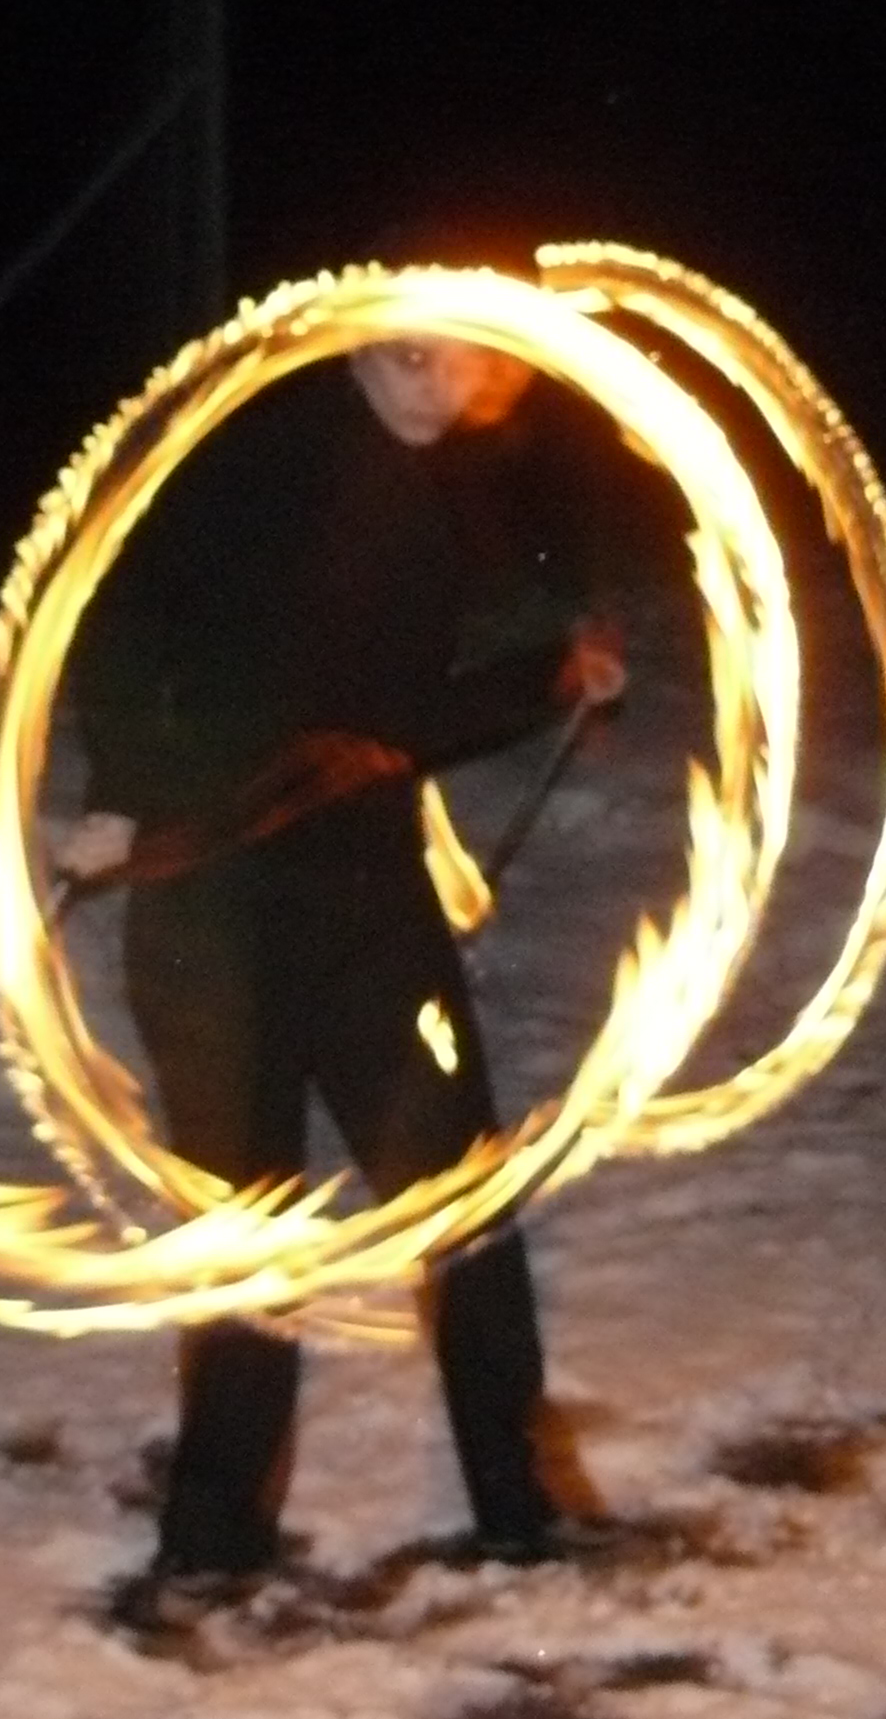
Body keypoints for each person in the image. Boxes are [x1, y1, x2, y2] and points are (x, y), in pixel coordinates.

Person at [60, 322, 627, 1618]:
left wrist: (550, 678)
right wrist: (127, 793)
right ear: (360, 338)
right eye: (412, 357)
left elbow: (381, 725)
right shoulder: (246, 469)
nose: (444, 385)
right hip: (218, 912)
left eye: (467, 362)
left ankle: (517, 1508)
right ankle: (214, 1544)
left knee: (459, 1199)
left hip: (357, 905)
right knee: (251, 1226)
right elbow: (120, 621)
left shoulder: (429, 495)